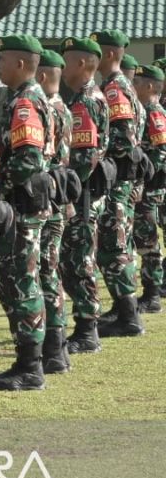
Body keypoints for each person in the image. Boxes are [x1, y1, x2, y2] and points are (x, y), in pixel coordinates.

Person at [0, 35, 51, 393]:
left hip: (22, 206)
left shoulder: (25, 102)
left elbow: (28, 159)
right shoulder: (19, 98)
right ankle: (27, 359)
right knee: (12, 280)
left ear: (22, 64)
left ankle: (31, 366)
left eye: (4, 60)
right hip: (19, 205)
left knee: (22, 282)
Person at [92, 30, 144, 338]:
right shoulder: (117, 86)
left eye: (98, 52)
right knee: (113, 246)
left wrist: (102, 158)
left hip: (117, 180)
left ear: (110, 55)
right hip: (119, 179)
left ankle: (129, 317)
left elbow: (123, 140)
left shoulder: (114, 89)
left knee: (114, 247)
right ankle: (123, 309)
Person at [59, 36, 108, 354]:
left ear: (81, 64)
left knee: (80, 262)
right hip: (84, 195)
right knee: (76, 261)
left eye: (66, 62)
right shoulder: (84, 97)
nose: (61, 69)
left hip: (82, 197)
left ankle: (88, 329)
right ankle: (85, 325)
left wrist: (66, 192)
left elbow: (83, 157)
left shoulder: (86, 101)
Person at [35, 49, 73, 374]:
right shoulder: (63, 109)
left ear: (43, 76)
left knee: (46, 272)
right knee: (51, 270)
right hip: (57, 200)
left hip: (47, 203)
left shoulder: (48, 109)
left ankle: (54, 347)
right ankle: (56, 346)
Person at [133, 63, 166, 314]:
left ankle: (152, 294)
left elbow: (160, 152)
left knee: (148, 241)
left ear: (151, 87)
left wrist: (143, 181)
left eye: (138, 84)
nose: (133, 88)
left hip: (151, 190)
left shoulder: (154, 112)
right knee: (145, 240)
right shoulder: (146, 112)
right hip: (148, 188)